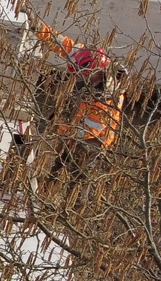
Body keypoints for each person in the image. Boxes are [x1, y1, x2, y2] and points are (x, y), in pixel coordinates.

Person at [35, 17, 124, 170]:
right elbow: (58, 41)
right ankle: (55, 173)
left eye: (82, 75)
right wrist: (35, 24)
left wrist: (57, 126)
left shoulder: (106, 99)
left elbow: (88, 131)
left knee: (76, 168)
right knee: (61, 158)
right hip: (80, 119)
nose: (77, 77)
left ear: (97, 73)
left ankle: (67, 184)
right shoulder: (86, 55)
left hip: (95, 142)